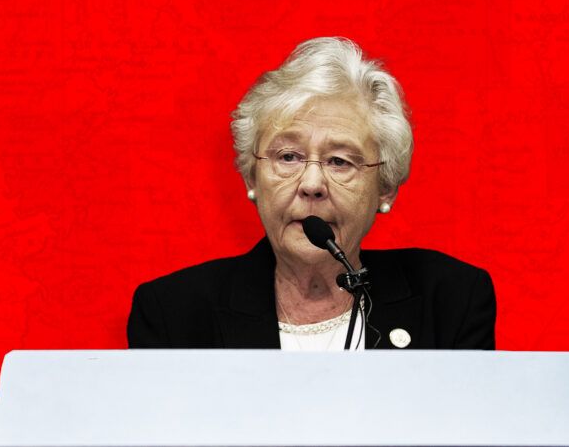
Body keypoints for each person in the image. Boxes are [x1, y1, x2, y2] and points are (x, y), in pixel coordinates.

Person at [127, 37, 495, 350]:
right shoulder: (174, 313)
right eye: (288, 156)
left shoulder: (449, 299)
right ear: (251, 178)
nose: (312, 184)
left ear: (385, 188)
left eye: (339, 161)